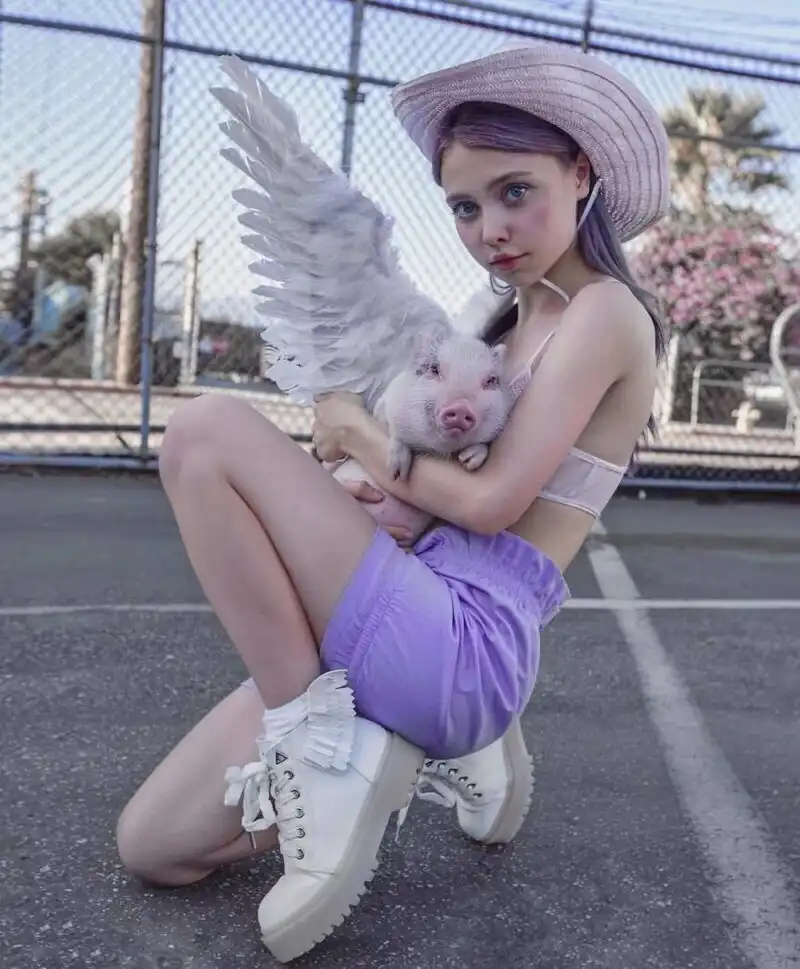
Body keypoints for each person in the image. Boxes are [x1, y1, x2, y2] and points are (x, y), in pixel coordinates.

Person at [115, 41, 670, 963]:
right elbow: (438, 485)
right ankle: (383, 752)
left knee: (205, 430)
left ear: (582, 172)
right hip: (401, 600)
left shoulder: (605, 312)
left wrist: (357, 431)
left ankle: (323, 746)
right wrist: (360, 487)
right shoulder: (495, 327)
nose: (491, 228)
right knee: (154, 846)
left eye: (516, 191)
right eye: (465, 206)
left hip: (462, 637)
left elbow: (489, 503)